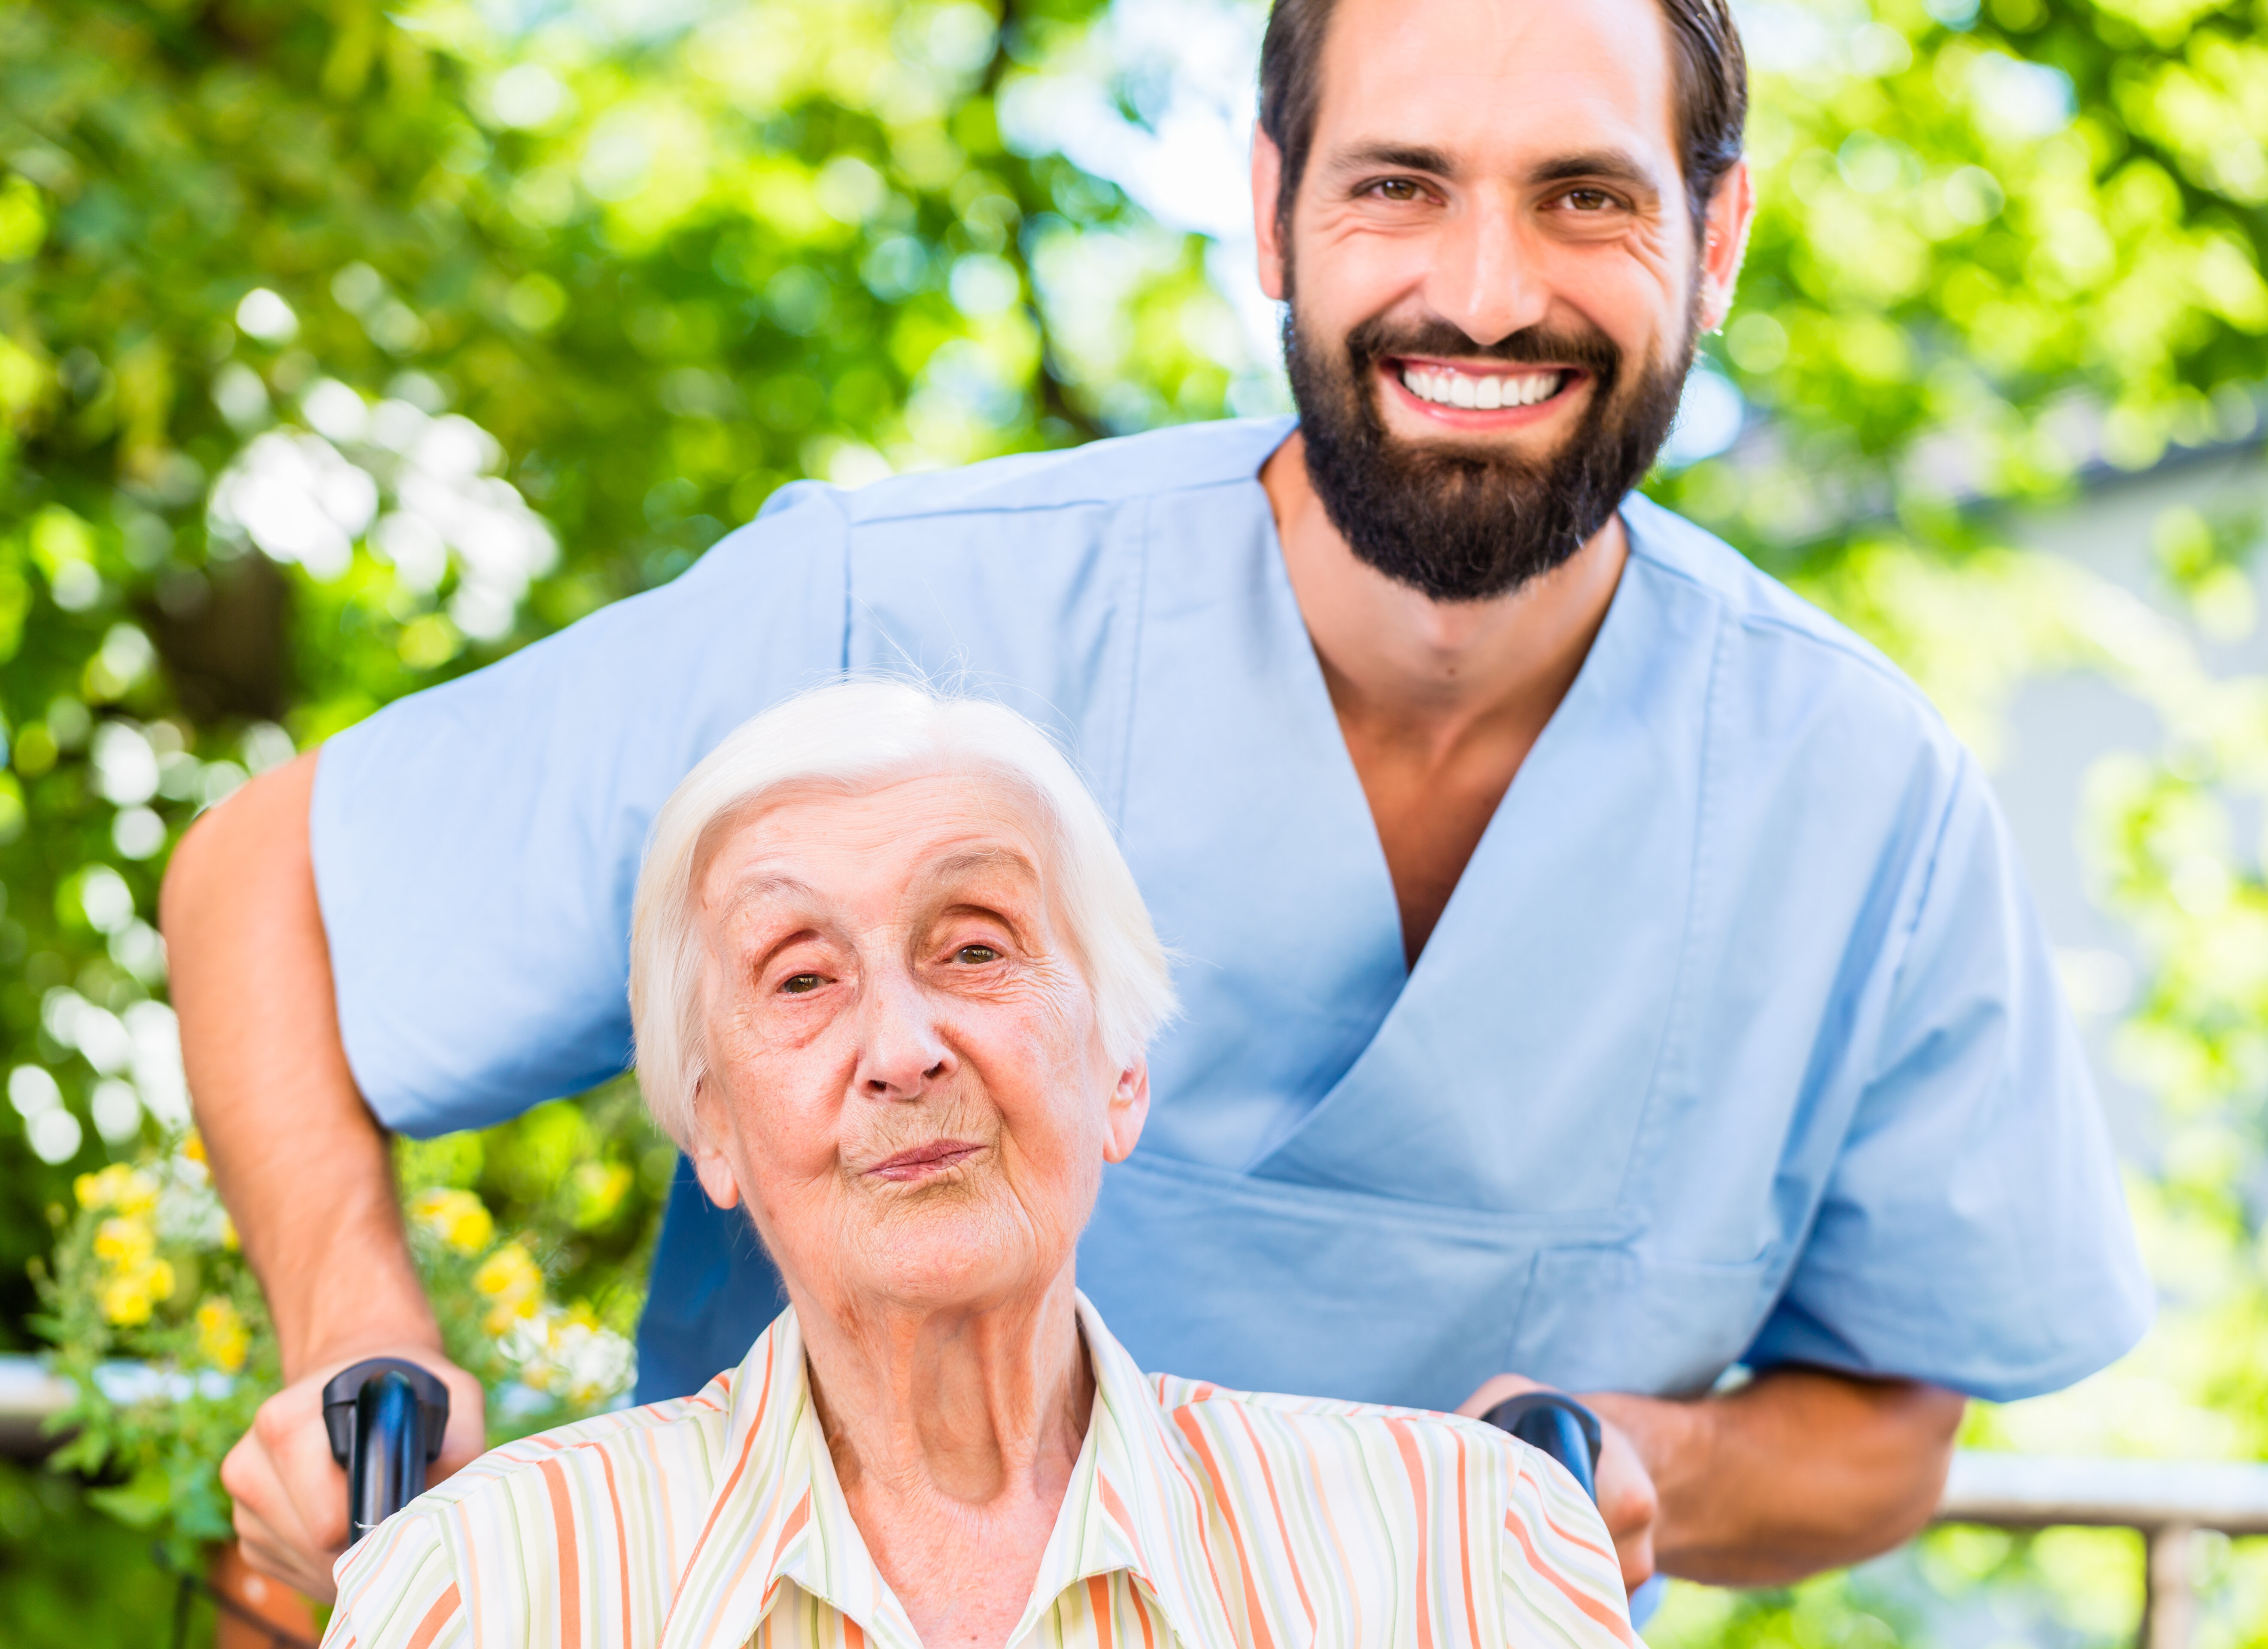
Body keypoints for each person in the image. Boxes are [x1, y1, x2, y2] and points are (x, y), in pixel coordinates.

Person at [165, 0, 2153, 1613]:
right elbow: (272, 876)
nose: (1484, 290)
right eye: (1399, 187)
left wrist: (1647, 1464)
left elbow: (1896, 1421)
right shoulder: (890, 615)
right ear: (1271, 207)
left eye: (1584, 199)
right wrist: (360, 1346)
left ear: (1713, 240)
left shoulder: (1863, 802)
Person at [322, 681, 1636, 1649]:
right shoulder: (484, 1586)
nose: (903, 1049)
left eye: (974, 950)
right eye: (803, 977)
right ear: (713, 1128)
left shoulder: (1467, 1550)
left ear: (1120, 1069)